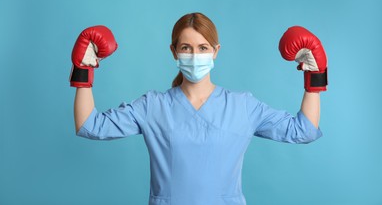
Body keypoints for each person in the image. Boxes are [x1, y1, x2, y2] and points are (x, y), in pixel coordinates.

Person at [70, 13, 327, 205]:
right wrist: (84, 70)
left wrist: (315, 77)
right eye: (186, 48)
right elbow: (90, 126)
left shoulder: (243, 106)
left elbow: (303, 130)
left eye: (203, 48)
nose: (195, 55)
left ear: (215, 51)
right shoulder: (153, 106)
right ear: (174, 52)